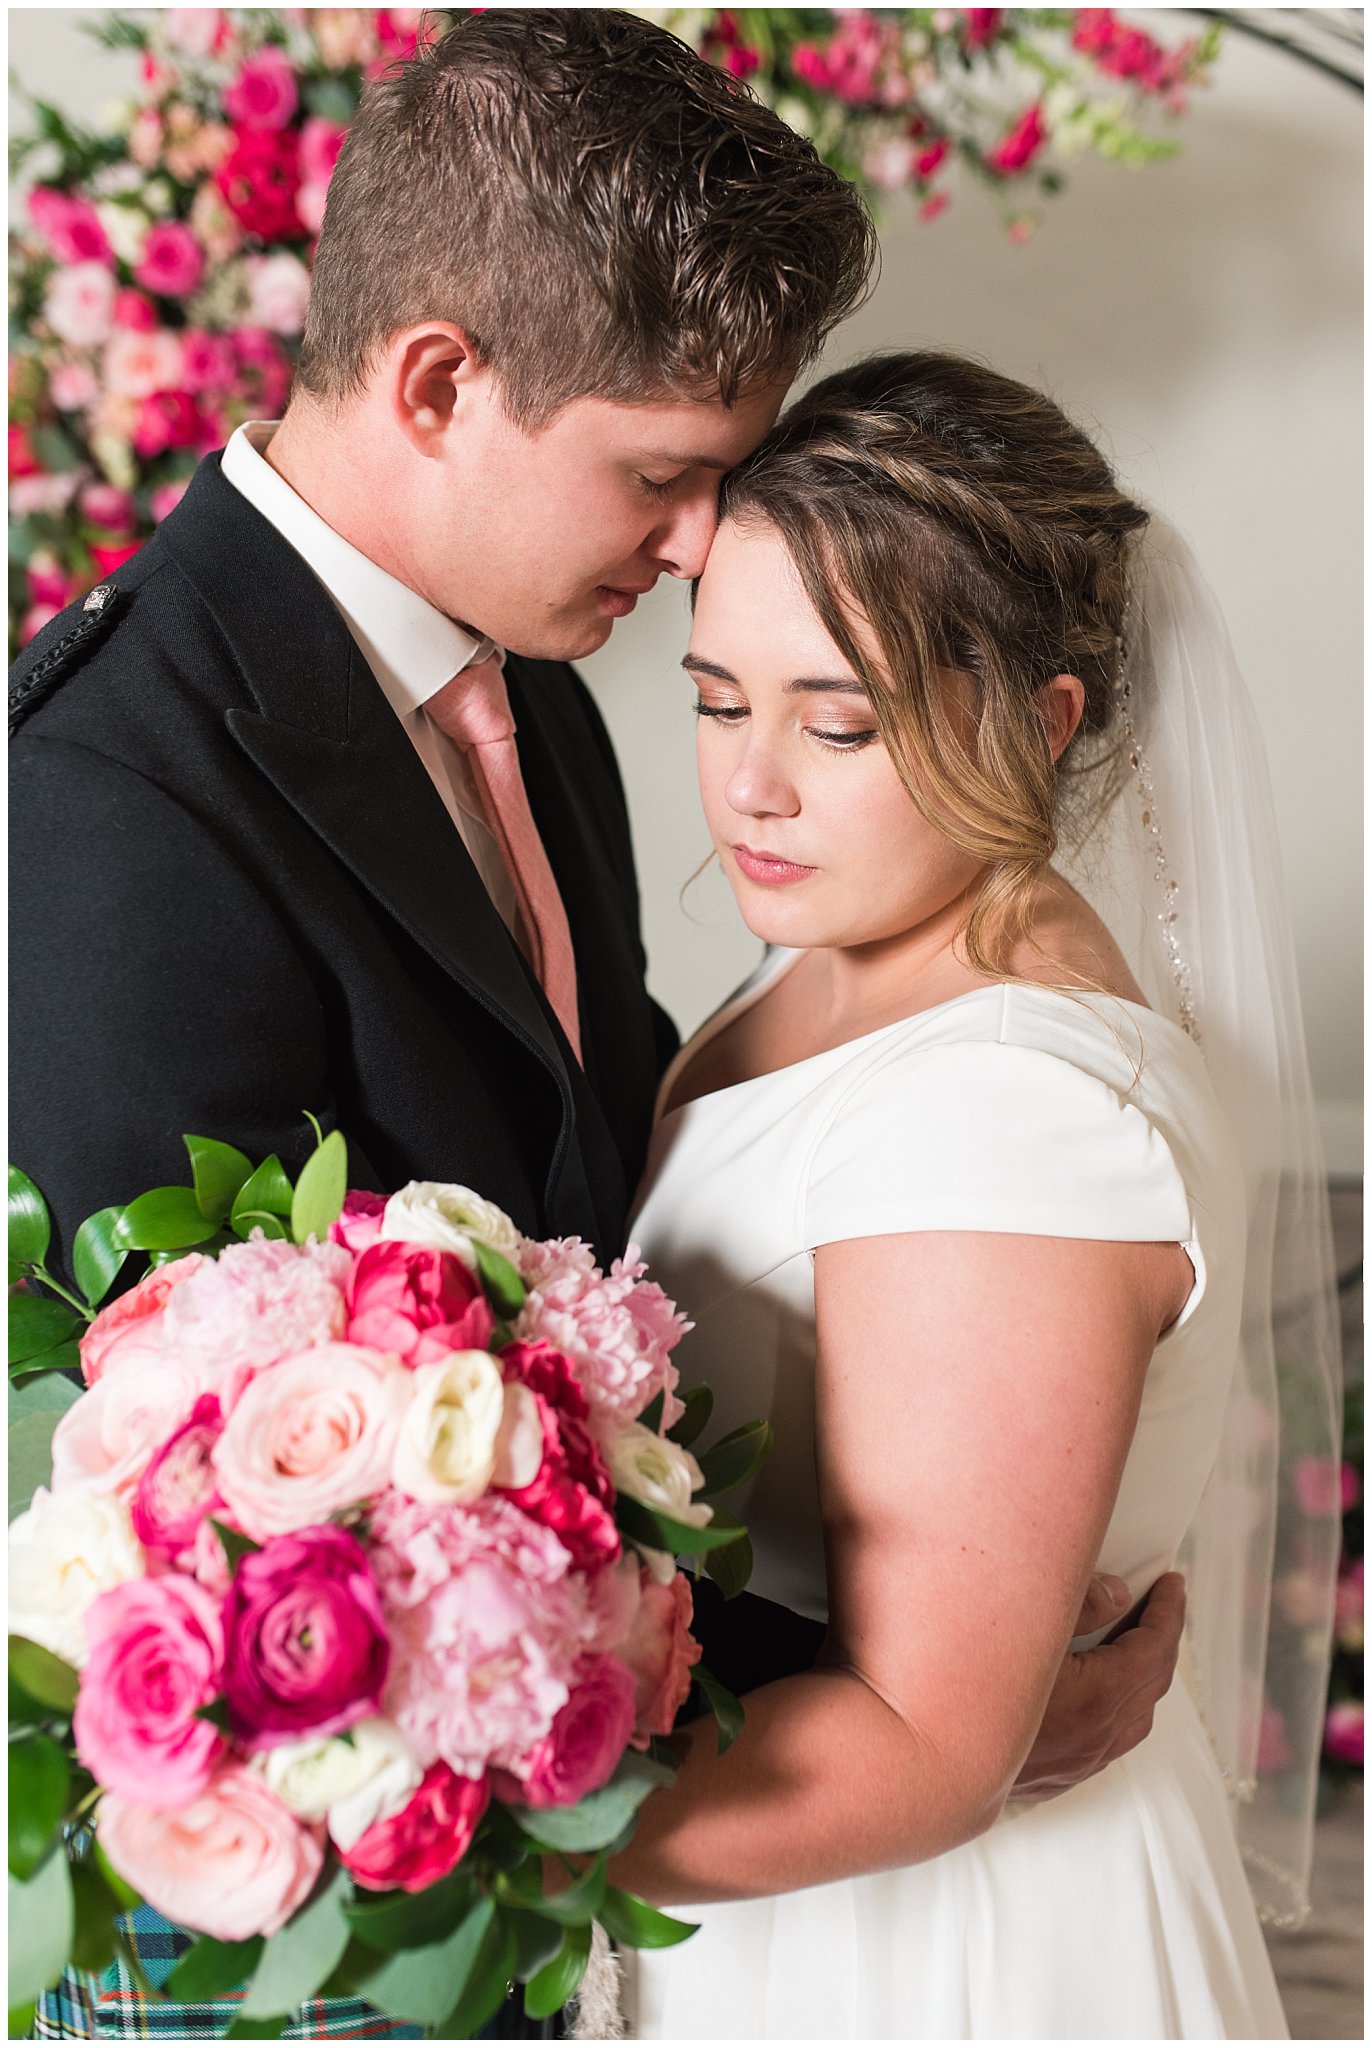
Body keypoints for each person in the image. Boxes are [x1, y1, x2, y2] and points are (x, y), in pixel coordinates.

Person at [11, 14, 1187, 2039]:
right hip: (299, 1945)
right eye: (661, 475)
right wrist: (898, 1720)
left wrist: (926, 1674)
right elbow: (197, 1524)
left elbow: (589, 1232)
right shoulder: (100, 798)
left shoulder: (529, 686)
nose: (693, 546)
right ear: (439, 380)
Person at [611, 351, 1341, 2040]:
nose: (753, 784)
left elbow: (929, 1749)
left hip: (936, 1949)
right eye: (720, 698)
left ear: (1040, 717)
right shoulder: (844, 962)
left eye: (839, 722)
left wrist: (427, 1832)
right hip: (782, 1884)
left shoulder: (1011, 1110)